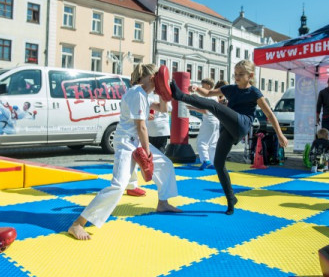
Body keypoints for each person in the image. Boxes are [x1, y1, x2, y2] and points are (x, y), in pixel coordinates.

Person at [68, 64, 181, 240]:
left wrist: (165, 95)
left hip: (135, 142)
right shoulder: (137, 93)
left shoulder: (143, 94)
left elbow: (164, 109)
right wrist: (148, 152)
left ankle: (163, 203)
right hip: (126, 145)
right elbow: (141, 126)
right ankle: (77, 224)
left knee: (165, 165)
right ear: (153, 78)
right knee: (118, 186)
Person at [170, 60, 287, 214]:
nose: (236, 77)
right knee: (218, 163)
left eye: (240, 74)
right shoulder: (230, 89)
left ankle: (181, 96)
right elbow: (209, 93)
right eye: (235, 74)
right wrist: (197, 88)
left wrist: (280, 135)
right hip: (229, 128)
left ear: (250, 76)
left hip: (242, 124)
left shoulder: (254, 92)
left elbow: (269, 114)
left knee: (214, 106)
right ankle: (231, 199)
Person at [193, 78, 220, 170]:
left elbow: (205, 111)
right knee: (213, 143)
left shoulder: (208, 97)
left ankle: (205, 160)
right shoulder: (215, 97)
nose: (202, 88)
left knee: (202, 141)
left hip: (209, 121)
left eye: (203, 85)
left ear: (208, 86)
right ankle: (213, 162)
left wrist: (192, 108)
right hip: (216, 121)